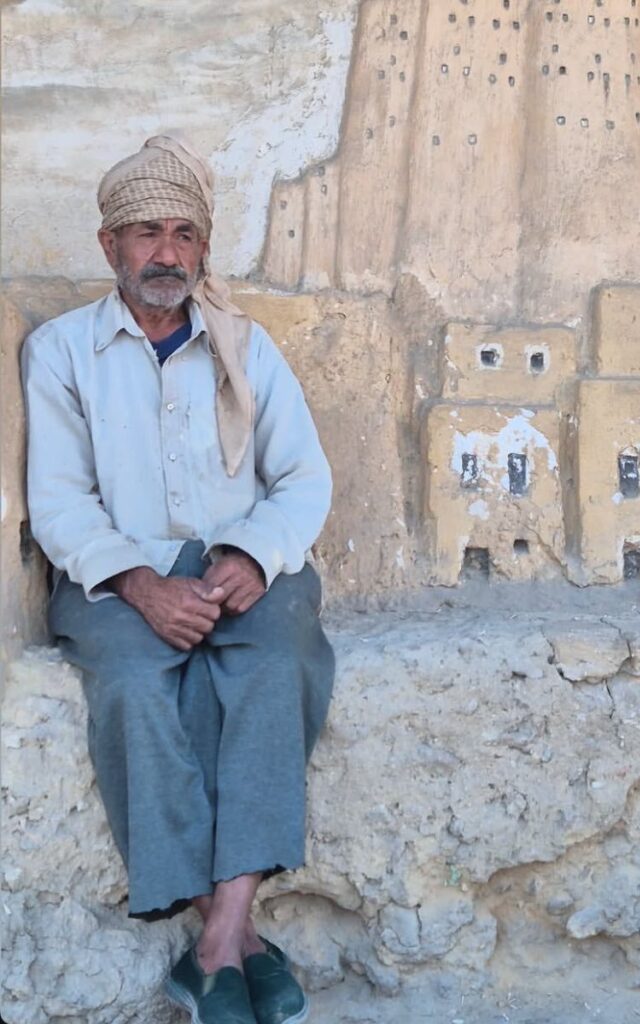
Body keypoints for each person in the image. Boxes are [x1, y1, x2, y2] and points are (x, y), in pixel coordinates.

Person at [22, 133, 335, 1024]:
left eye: (184, 234)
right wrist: (139, 585)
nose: (168, 253)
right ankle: (241, 944)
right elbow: (60, 502)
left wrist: (248, 555)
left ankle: (213, 945)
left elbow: (303, 478)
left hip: (245, 563)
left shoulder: (245, 346)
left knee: (276, 669)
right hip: (116, 575)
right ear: (109, 247)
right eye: (147, 233)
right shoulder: (62, 352)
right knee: (131, 686)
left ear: (203, 247)